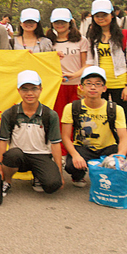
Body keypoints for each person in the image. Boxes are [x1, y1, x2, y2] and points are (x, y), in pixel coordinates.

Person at [61, 66, 127, 187]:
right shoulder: (72, 107)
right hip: (83, 147)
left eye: (98, 84)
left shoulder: (115, 109)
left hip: (108, 147)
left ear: (104, 88)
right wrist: (75, 155)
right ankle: (78, 176)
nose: (93, 87)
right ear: (81, 87)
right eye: (88, 83)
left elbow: (123, 138)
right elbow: (65, 136)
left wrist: (120, 155)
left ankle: (110, 173)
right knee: (71, 165)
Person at [0, 70, 63, 197]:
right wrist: (0, 170)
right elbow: (2, 142)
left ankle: (38, 176)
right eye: (25, 89)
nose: (29, 93)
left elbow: (55, 144)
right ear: (18, 90)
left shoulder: (50, 115)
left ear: (40, 89)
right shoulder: (9, 114)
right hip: (19, 156)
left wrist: (59, 173)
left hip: (41, 155)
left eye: (34, 89)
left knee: (52, 185)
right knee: (12, 154)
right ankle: (7, 181)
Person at [85, 0, 127, 132]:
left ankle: (122, 149)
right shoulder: (92, 36)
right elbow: (89, 62)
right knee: (99, 118)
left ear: (112, 15)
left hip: (119, 82)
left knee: (121, 118)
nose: (101, 19)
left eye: (104, 15)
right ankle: (103, 148)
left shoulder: (125, 35)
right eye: (97, 16)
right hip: (99, 84)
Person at [46, 8, 89, 156]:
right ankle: (61, 153)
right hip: (56, 87)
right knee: (58, 120)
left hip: (75, 86)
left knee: (77, 120)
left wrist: (74, 75)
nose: (60, 25)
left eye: (63, 22)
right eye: (57, 22)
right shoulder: (48, 42)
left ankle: (76, 153)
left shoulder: (81, 41)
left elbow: (86, 64)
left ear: (70, 22)